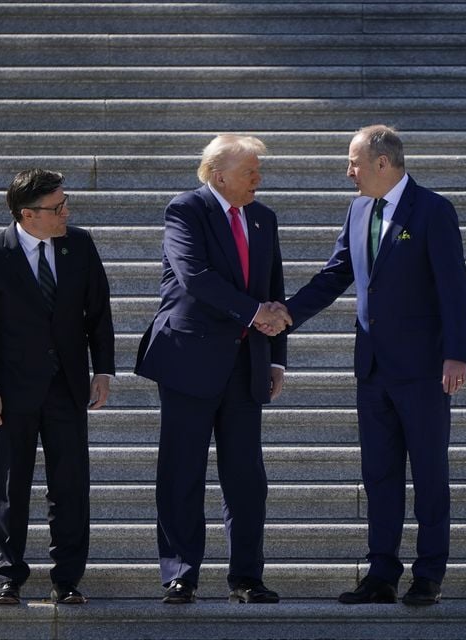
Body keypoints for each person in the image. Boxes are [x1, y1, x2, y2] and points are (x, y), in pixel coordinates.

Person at [283, 125, 466, 606]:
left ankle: (428, 574)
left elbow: (454, 287)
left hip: (425, 369)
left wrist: (456, 353)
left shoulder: (433, 211)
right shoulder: (359, 209)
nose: (349, 172)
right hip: (372, 369)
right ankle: (381, 573)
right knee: (379, 474)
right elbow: (335, 274)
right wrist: (286, 314)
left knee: (429, 472)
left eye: (354, 163)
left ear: (382, 163)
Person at [134, 135, 292, 604]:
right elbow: (194, 276)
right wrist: (252, 314)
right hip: (190, 359)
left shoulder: (264, 218)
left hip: (247, 363)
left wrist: (276, 354)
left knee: (247, 476)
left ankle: (246, 576)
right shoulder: (186, 210)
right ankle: (180, 573)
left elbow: (273, 286)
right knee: (182, 471)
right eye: (251, 172)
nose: (258, 179)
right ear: (219, 175)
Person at [0, 169, 115, 606]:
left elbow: (98, 314)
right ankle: (10, 576)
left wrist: (102, 371)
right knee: (12, 487)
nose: (66, 212)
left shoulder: (79, 245)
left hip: (67, 388)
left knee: (70, 487)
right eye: (57, 208)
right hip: (11, 394)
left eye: (66, 203)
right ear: (27, 215)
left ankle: (67, 579)